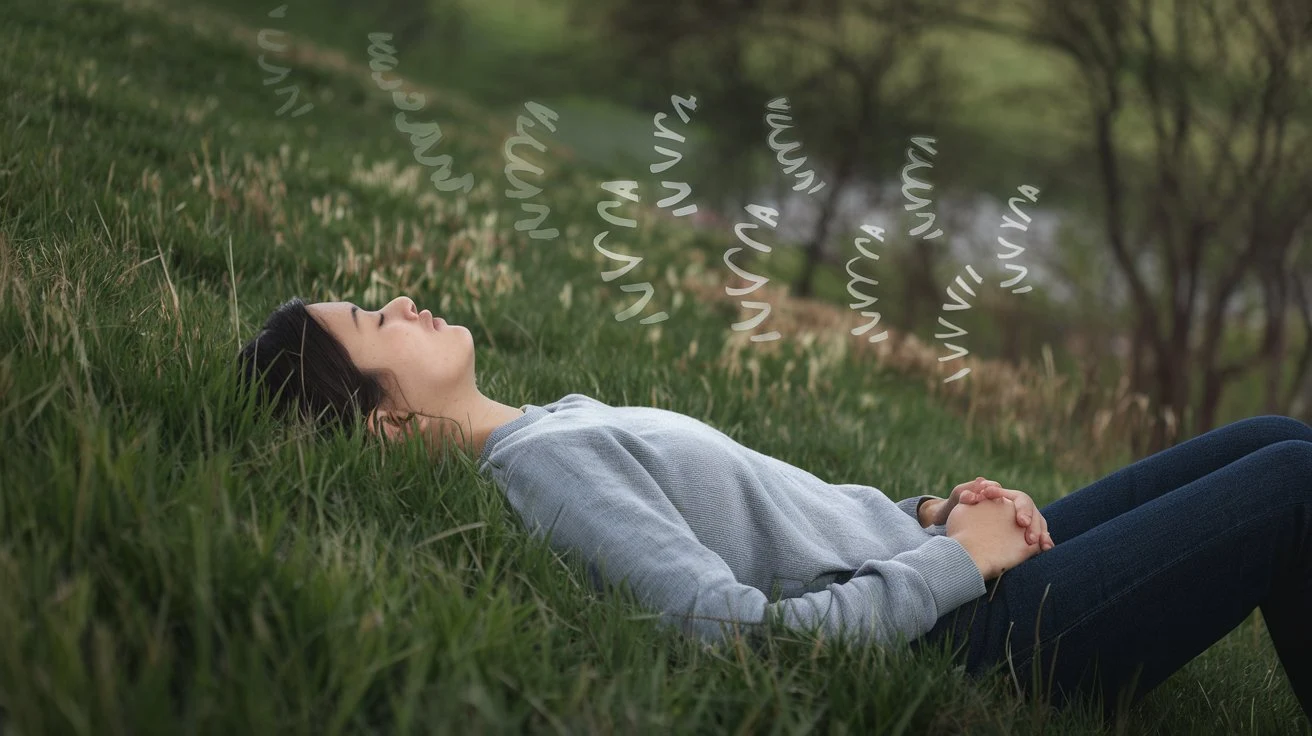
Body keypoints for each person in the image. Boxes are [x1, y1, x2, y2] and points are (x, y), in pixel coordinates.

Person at [236, 294, 1312, 727]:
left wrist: (932, 510)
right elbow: (731, 632)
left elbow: (779, 525)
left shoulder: (555, 418)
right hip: (971, 639)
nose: (402, 300)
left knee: (1280, 440)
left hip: (937, 562)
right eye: (375, 321)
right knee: (1297, 486)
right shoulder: (544, 470)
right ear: (383, 421)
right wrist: (955, 567)